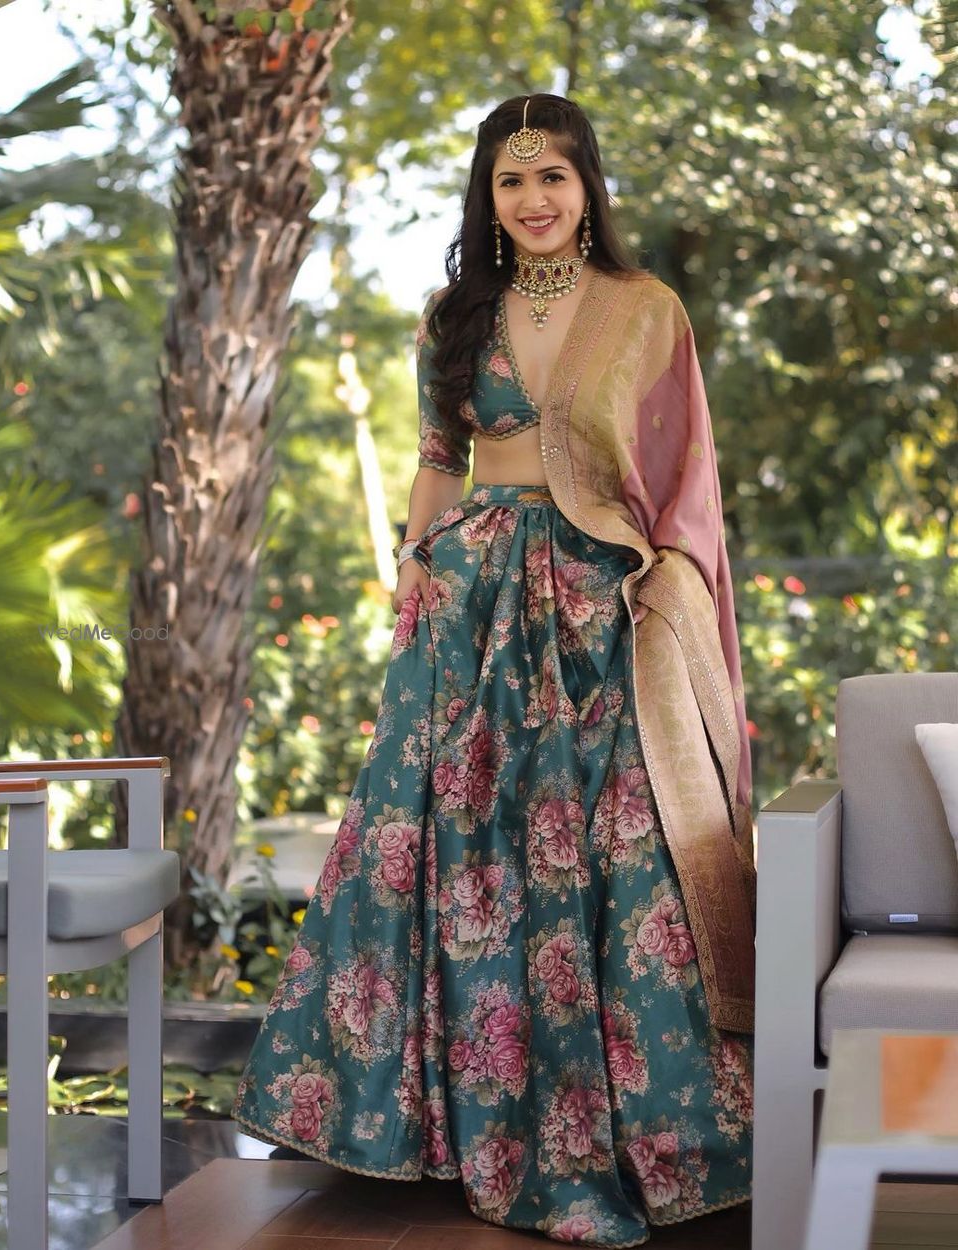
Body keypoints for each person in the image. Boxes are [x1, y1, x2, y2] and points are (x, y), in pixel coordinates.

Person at [232, 93, 756, 1247]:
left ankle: (642, 1129)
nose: (532, 201)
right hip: (469, 603)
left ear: (586, 189)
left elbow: (685, 477)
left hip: (601, 601)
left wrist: (667, 579)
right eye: (510, 182)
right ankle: (433, 1126)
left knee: (616, 846)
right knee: (454, 848)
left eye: (553, 178)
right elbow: (437, 459)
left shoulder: (645, 310)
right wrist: (413, 565)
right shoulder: (456, 315)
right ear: (489, 196)